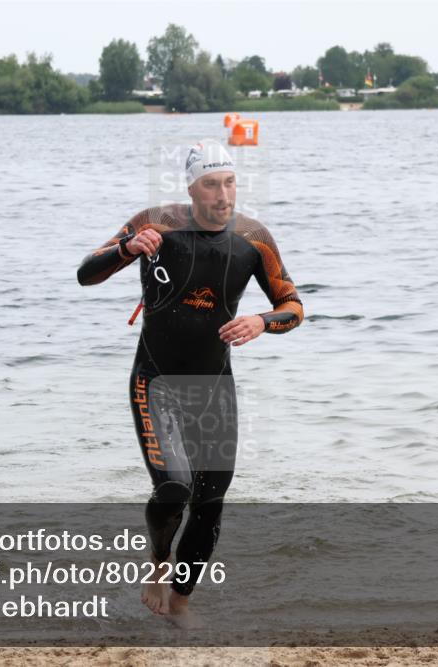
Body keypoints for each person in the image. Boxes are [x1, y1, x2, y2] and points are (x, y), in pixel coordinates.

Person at [76, 139, 304, 628]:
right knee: (175, 487)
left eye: (230, 183)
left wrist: (262, 322)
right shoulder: (155, 222)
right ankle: (159, 565)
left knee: (211, 497)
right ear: (191, 187)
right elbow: (85, 274)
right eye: (211, 184)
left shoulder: (254, 238)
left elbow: (294, 306)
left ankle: (181, 601)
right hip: (156, 382)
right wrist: (127, 247)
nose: (223, 196)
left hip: (214, 385)